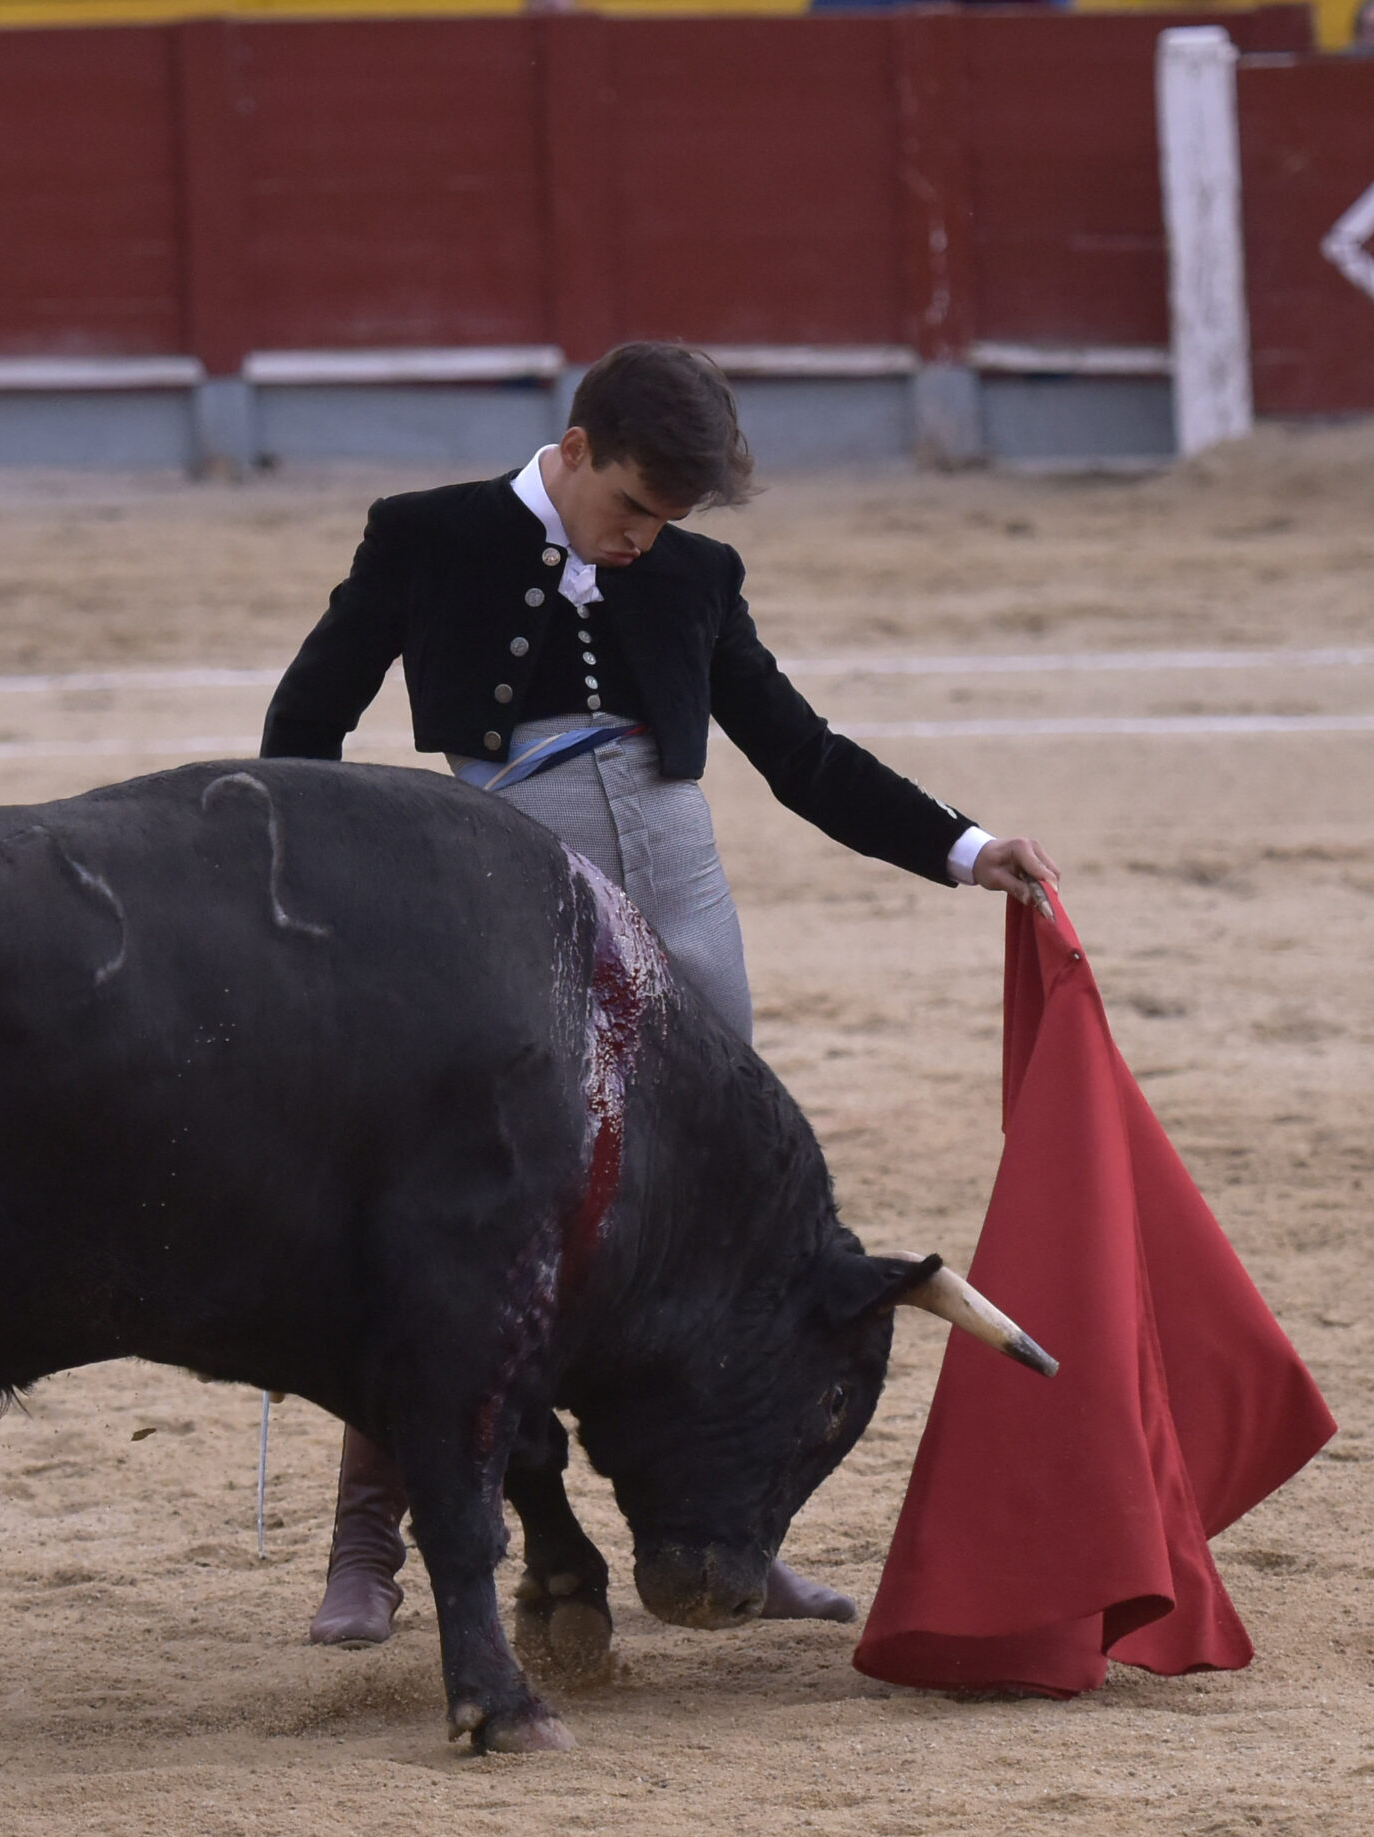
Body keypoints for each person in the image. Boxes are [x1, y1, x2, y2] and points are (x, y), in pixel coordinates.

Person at [258, 341, 1060, 1650]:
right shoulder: (426, 537)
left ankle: (729, 1535)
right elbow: (304, 726)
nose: (642, 542)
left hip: (687, 925)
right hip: (512, 917)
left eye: (665, 523)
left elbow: (800, 754)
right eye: (629, 507)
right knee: (455, 1229)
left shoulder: (696, 575)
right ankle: (367, 1546)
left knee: (717, 1246)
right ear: (574, 450)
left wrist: (968, 850)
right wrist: (313, 898)